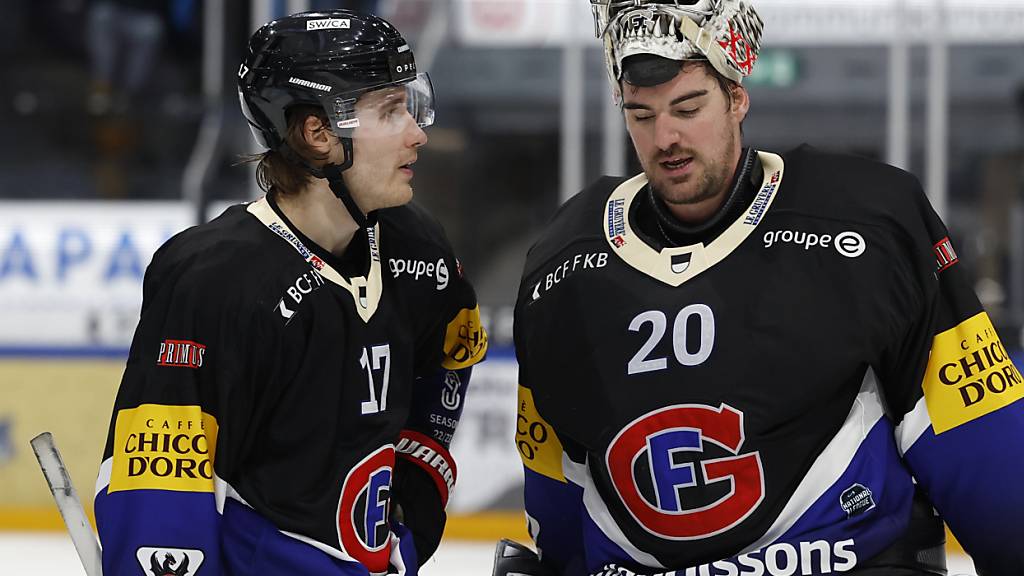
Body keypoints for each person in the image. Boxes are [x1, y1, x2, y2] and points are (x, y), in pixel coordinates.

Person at [499, 1, 1024, 575]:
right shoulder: (561, 260)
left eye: (688, 106)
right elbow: (557, 482)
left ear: (737, 97)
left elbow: (978, 443)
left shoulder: (869, 221)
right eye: (641, 115)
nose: (666, 137)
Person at [94, 9, 488, 575]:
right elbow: (160, 480)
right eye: (391, 111)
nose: (418, 132)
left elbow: (455, 351)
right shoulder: (214, 280)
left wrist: (420, 476)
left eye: (411, 105)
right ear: (319, 134)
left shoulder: (417, 249)